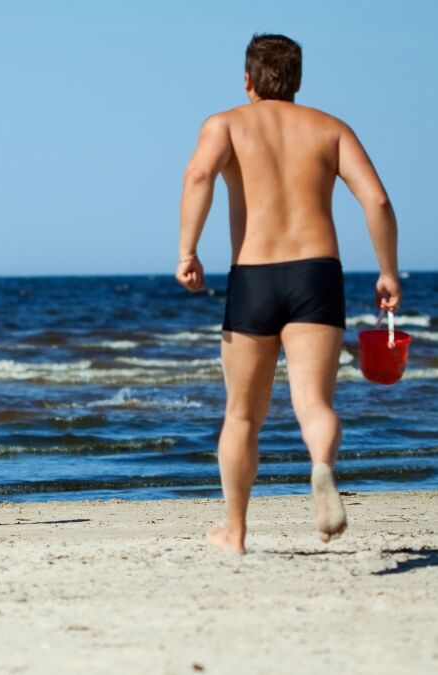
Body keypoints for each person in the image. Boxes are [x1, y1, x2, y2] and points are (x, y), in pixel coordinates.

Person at [176, 34, 401, 554]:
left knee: (242, 415)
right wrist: (388, 272)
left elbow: (198, 175)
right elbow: (379, 201)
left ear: (248, 79)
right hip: (316, 274)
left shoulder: (225, 124)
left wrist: (187, 252)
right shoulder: (330, 129)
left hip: (253, 275)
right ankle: (321, 465)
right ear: (297, 80)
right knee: (313, 402)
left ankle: (234, 531)